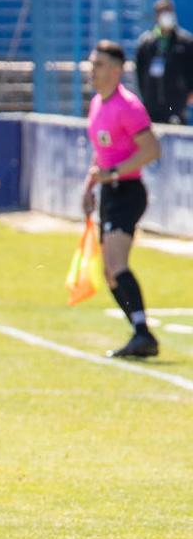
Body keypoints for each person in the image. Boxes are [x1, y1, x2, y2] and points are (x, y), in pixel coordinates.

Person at [83, 40, 163, 359]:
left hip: (128, 192)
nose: (93, 70)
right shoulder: (97, 104)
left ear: (117, 70)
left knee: (117, 265)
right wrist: (90, 184)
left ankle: (143, 333)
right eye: (92, 64)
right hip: (109, 191)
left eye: (99, 64)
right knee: (109, 272)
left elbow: (152, 150)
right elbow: (101, 152)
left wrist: (113, 172)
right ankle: (139, 333)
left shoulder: (128, 107)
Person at [134, 0, 193, 125]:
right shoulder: (146, 42)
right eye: (162, 12)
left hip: (176, 102)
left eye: (168, 11)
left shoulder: (185, 42)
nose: (166, 15)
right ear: (156, 16)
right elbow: (139, 72)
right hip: (151, 103)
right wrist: (144, 95)